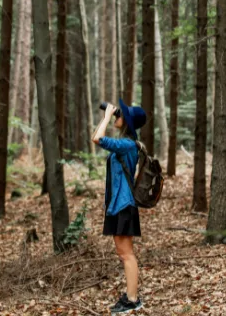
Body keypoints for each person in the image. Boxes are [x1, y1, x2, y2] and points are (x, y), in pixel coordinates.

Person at [92, 98, 147, 314]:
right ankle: (131, 296)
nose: (117, 116)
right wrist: (107, 116)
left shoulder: (127, 145)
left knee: (127, 254)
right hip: (118, 205)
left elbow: (97, 139)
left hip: (124, 204)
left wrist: (106, 117)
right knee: (123, 252)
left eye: (119, 115)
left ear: (127, 123)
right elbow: (95, 137)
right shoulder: (125, 144)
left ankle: (133, 299)